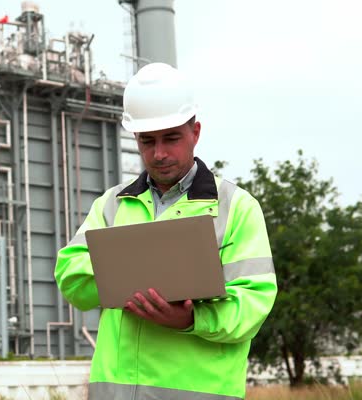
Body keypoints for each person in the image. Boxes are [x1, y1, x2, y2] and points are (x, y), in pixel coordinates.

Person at [54, 63, 277, 399]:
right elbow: (71, 277)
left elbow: (252, 304)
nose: (159, 154)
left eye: (171, 139)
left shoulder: (236, 208)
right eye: (147, 141)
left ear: (195, 132)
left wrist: (190, 319)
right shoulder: (112, 205)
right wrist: (130, 273)